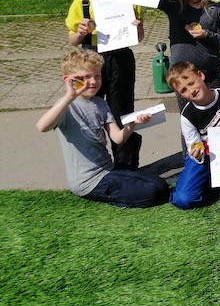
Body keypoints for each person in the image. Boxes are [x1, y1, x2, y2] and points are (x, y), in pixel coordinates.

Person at [35, 49, 169, 208]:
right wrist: (69, 96)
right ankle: (113, 198)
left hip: (108, 170)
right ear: (69, 80)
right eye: (86, 77)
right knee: (151, 194)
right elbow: (42, 127)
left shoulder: (100, 104)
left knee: (160, 185)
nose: (93, 81)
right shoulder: (66, 106)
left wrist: (131, 124)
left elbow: (118, 138)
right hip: (88, 181)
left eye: (97, 76)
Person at [65, 0, 144, 171]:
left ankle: (126, 167)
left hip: (121, 59)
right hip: (91, 59)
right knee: (90, 111)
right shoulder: (82, 0)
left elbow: (139, 38)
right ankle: (95, 165)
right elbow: (72, 40)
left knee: (122, 111)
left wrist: (137, 27)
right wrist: (80, 32)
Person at [166, 61, 220, 224]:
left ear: (200, 75)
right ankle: (210, 186)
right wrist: (197, 152)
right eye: (184, 90)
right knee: (183, 199)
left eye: (191, 83)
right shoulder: (187, 115)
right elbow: (193, 144)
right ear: (180, 95)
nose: (191, 90)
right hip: (205, 156)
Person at [157, 0, 220, 129]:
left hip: (211, 75)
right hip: (183, 78)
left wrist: (208, 35)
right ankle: (191, 149)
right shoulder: (174, 6)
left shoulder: (215, 9)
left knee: (216, 122)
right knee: (190, 124)